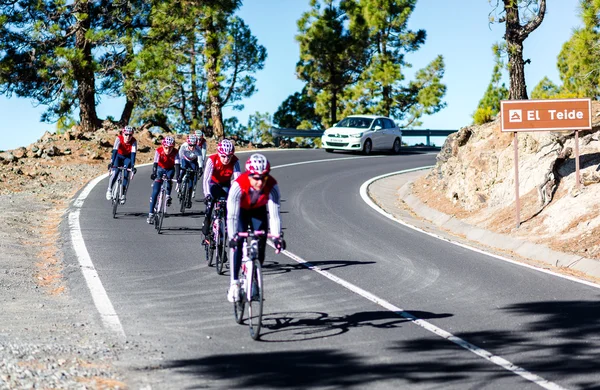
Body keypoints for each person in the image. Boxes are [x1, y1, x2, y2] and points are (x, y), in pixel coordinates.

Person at [226, 153, 286, 303]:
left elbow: (274, 215)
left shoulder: (272, 186)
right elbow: (232, 215)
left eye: (263, 177)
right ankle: (234, 283)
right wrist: (232, 236)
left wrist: (277, 236)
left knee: (261, 242)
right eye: (255, 177)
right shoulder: (238, 185)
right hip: (240, 211)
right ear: (248, 174)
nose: (259, 182)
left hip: (258, 211)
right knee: (238, 243)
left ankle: (254, 277)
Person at [201, 138, 241, 242]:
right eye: (223, 156)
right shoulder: (212, 160)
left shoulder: (235, 161)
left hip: (226, 184)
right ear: (219, 153)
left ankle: (223, 236)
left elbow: (238, 180)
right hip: (213, 183)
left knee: (228, 206)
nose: (226, 159)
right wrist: (207, 195)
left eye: (229, 156)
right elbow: (206, 179)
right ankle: (207, 221)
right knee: (210, 204)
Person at [147, 136, 180, 224]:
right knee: (155, 192)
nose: (168, 150)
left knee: (169, 179)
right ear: (163, 146)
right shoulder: (158, 151)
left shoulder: (176, 152)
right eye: (166, 148)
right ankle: (150, 214)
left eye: (170, 148)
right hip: (160, 169)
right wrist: (154, 173)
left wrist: (178, 176)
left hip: (170, 169)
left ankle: (168, 196)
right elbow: (155, 163)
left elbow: (177, 166)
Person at [106, 126, 137, 204]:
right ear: (123, 134)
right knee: (115, 172)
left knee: (126, 174)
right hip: (118, 156)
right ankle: (109, 189)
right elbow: (114, 151)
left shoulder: (134, 141)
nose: (128, 137)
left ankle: (123, 194)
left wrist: (133, 166)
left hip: (127, 158)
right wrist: (111, 163)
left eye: (130, 135)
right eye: (126, 134)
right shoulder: (119, 139)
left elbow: (133, 155)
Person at [177, 134, 203, 208]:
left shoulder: (198, 149)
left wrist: (200, 168)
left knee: (191, 180)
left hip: (193, 161)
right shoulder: (183, 146)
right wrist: (179, 167)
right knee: (183, 170)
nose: (192, 147)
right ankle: (179, 184)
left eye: (193, 145)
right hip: (185, 159)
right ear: (188, 144)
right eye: (190, 145)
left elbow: (200, 160)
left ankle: (188, 199)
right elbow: (179, 156)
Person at [192, 130, 208, 198]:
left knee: (196, 172)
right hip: (190, 155)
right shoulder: (191, 139)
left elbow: (203, 153)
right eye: (197, 139)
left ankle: (194, 188)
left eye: (200, 139)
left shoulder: (204, 142)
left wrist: (202, 162)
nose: (198, 141)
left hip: (198, 156)